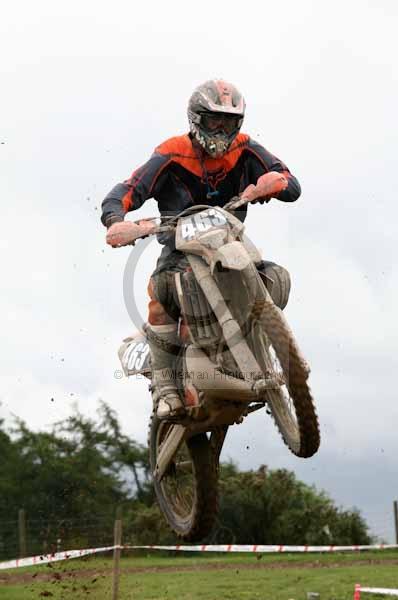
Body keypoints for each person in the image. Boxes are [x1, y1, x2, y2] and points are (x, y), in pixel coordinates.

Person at [102, 79, 301, 419]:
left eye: (229, 122)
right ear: (196, 118)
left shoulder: (246, 149)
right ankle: (165, 388)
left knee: (275, 277)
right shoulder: (172, 152)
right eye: (214, 120)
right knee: (162, 290)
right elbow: (127, 190)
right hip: (179, 250)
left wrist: (273, 183)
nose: (221, 129)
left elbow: (289, 182)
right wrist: (116, 220)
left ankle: (265, 351)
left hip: (229, 244)